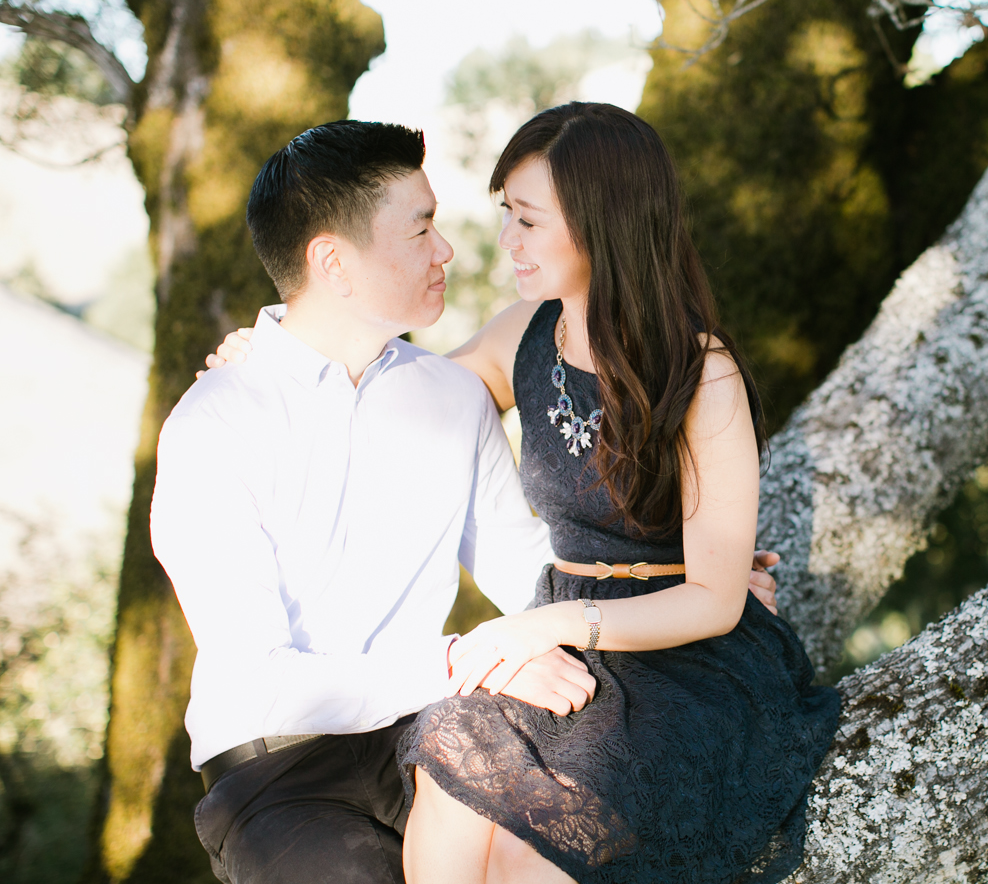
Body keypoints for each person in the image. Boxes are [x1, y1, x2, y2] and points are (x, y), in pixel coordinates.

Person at [160, 120, 781, 884]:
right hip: (282, 768)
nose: (449, 249)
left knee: (564, 842)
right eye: (422, 228)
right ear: (333, 262)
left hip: (422, 727)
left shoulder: (451, 394)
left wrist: (683, 580)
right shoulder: (217, 422)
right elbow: (263, 683)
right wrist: (461, 661)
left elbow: (532, 567)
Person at [395, 102, 841, 884]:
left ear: (603, 224)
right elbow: (394, 403)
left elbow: (713, 599)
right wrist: (276, 349)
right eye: (509, 216)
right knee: (448, 772)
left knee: (539, 855)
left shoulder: (704, 375)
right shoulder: (524, 335)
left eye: (528, 222)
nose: (506, 242)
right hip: (564, 642)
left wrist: (544, 625)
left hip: (685, 660)